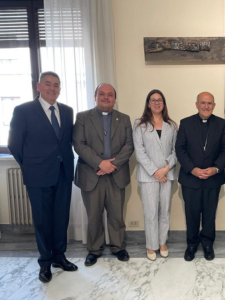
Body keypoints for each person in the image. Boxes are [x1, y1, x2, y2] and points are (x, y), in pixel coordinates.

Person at [8, 71, 77, 283]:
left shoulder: (66, 111)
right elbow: (14, 144)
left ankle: (59, 257)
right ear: (39, 87)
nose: (52, 88)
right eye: (48, 84)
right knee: (42, 221)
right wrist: (31, 166)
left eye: (56, 85)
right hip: (38, 176)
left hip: (63, 173)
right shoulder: (23, 110)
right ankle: (45, 263)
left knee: (61, 218)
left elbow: (66, 141)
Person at [73, 83, 134, 266]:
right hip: (91, 174)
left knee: (116, 214)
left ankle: (118, 247)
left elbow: (129, 145)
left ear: (115, 99)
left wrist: (112, 165)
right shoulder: (83, 117)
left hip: (116, 174)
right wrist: (100, 163)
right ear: (95, 96)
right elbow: (79, 144)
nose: (106, 97)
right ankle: (94, 249)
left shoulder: (124, 119)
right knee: (94, 215)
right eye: (102, 94)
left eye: (110, 95)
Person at [175, 92, 225, 261]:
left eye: (209, 103)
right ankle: (191, 244)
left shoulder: (221, 124)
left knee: (209, 213)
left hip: (212, 178)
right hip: (191, 178)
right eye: (203, 103)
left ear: (213, 106)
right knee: (191, 213)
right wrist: (192, 169)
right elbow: (180, 149)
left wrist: (216, 168)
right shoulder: (186, 123)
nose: (206, 106)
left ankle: (207, 244)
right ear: (196, 104)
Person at [133, 89, 178, 261]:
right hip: (148, 176)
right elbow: (140, 152)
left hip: (167, 174)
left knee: (164, 211)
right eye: (153, 100)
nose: (157, 102)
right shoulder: (139, 125)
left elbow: (176, 150)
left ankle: (162, 243)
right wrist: (156, 172)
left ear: (164, 103)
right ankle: (151, 246)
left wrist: (165, 169)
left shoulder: (172, 126)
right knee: (150, 212)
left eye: (160, 100)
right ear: (148, 103)